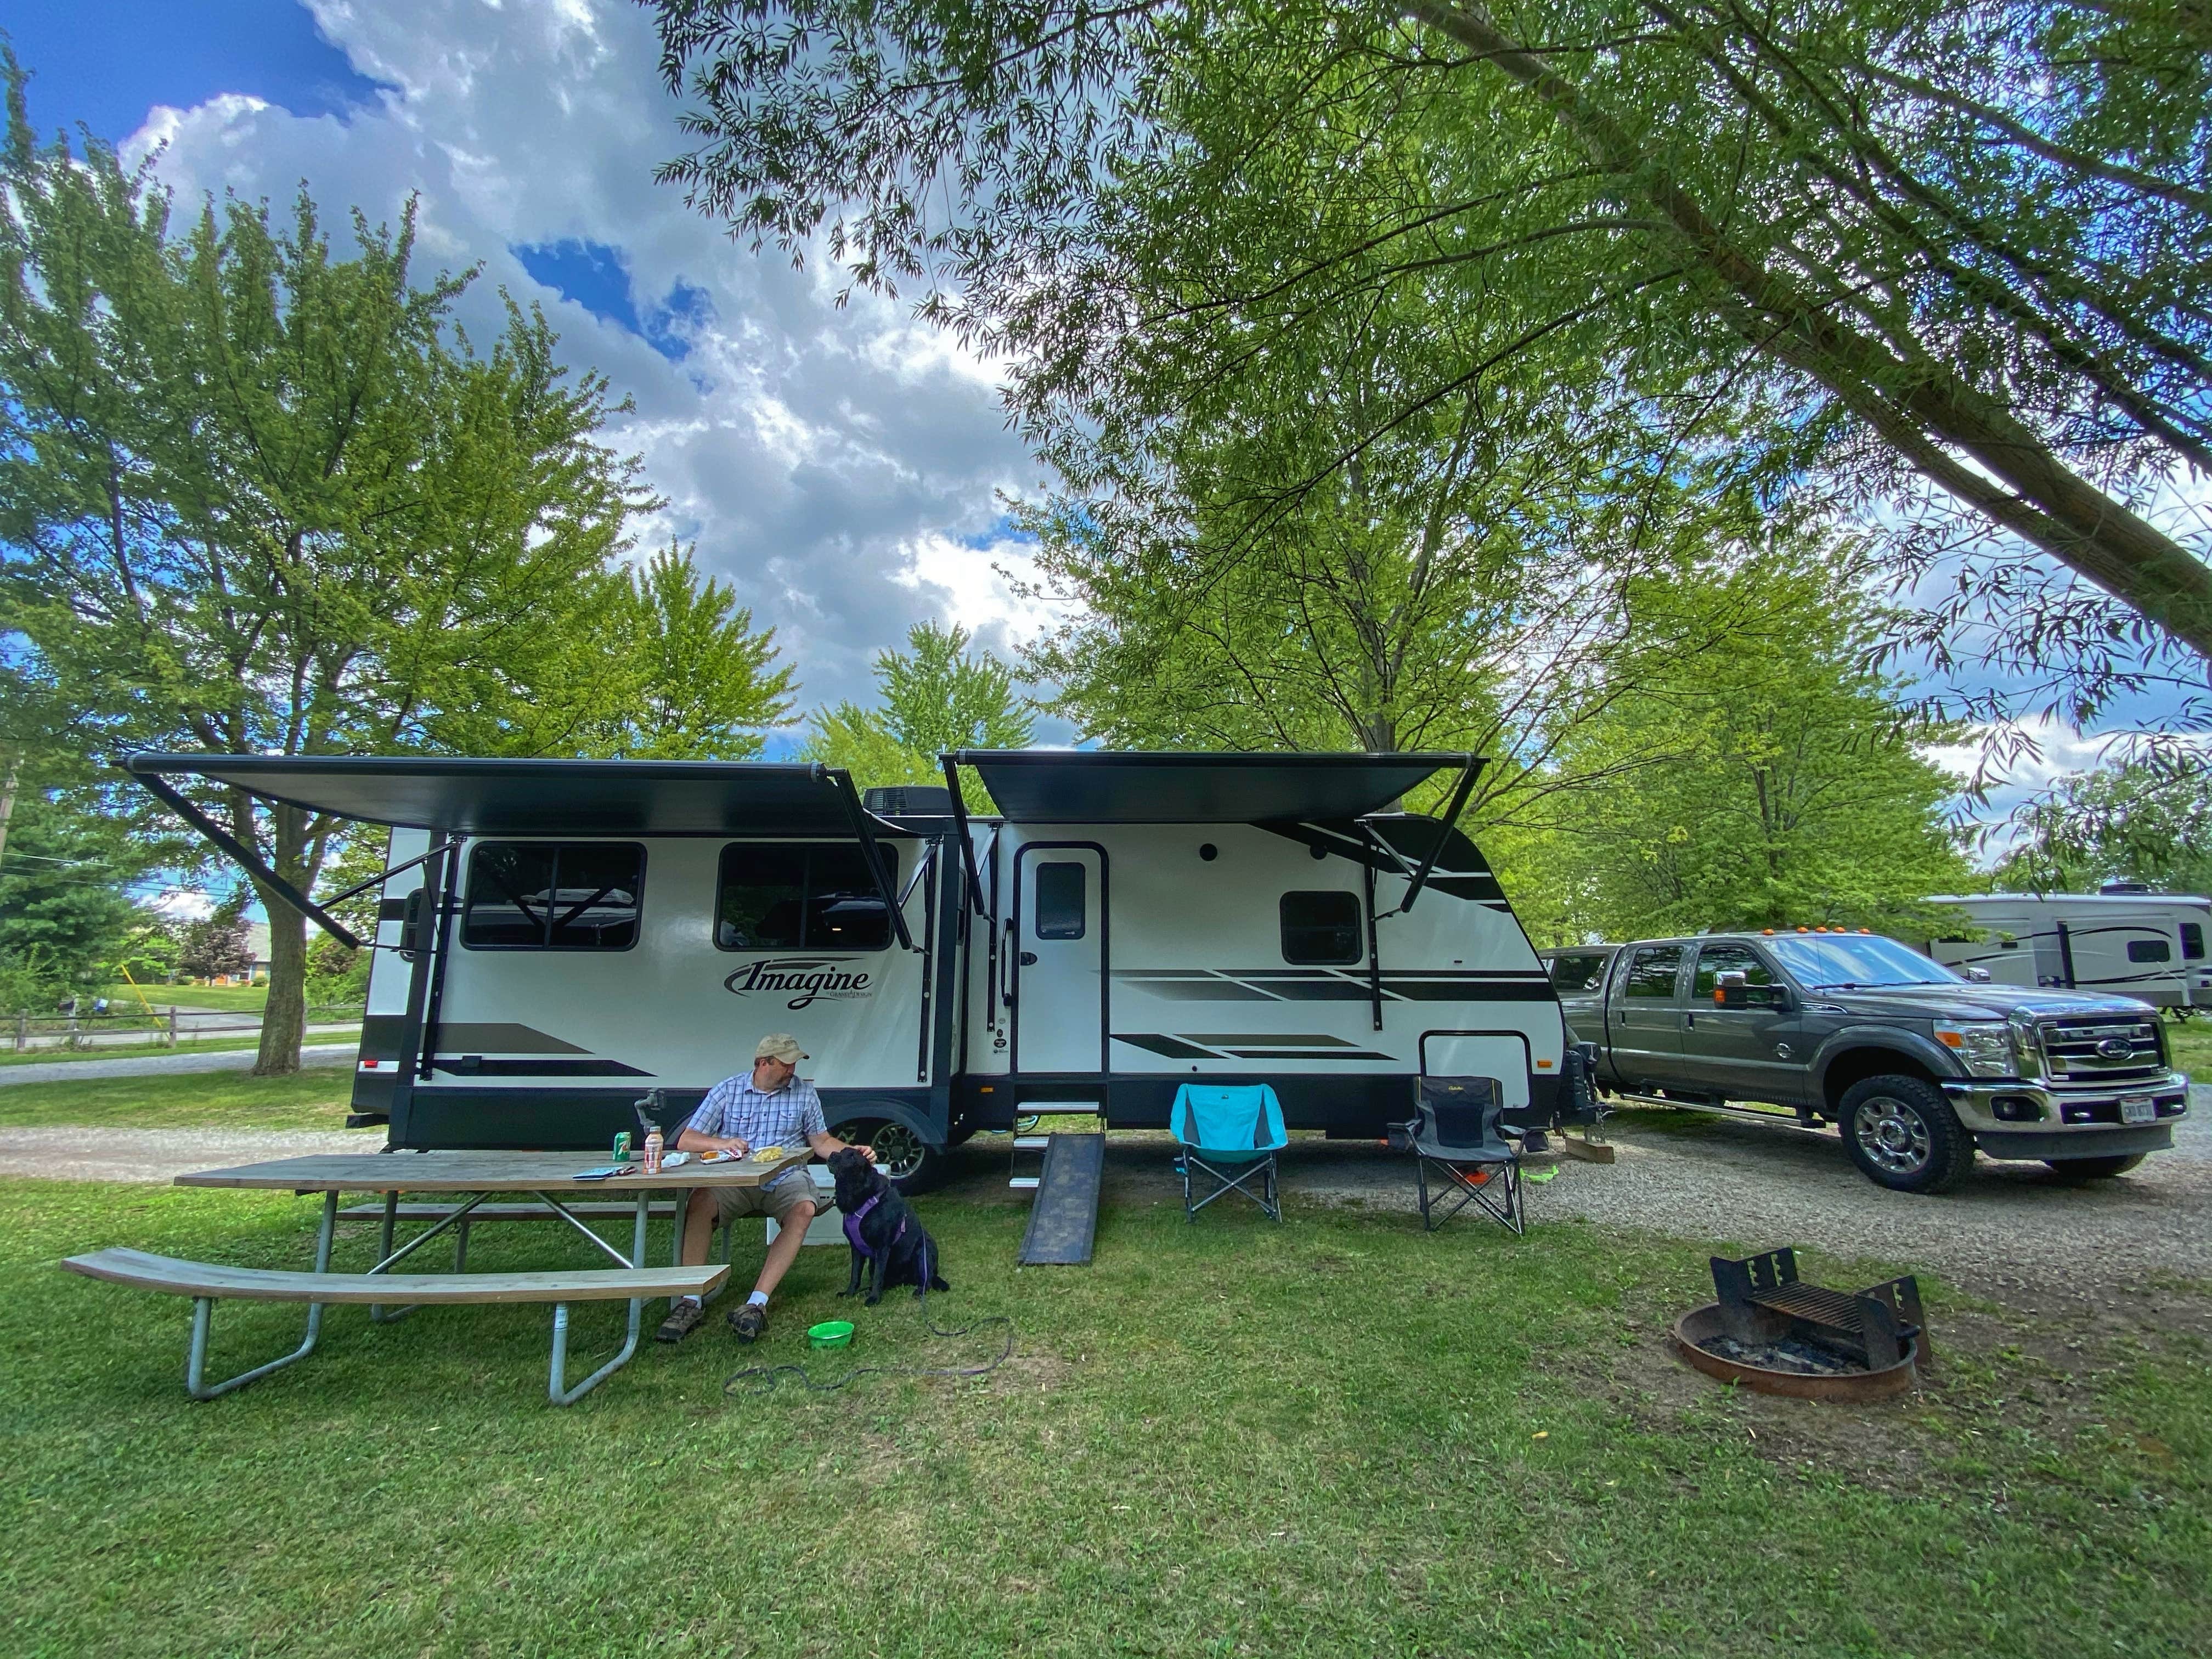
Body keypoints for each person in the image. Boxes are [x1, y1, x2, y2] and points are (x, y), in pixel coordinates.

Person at [655, 1033, 874, 1345]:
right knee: (700, 1202)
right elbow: (687, 1140)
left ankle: (756, 1303)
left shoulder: (804, 1093)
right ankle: (689, 1301)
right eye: (786, 1064)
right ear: (763, 1063)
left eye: (794, 1064)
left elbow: (822, 1142)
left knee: (804, 1208)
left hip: (784, 1176)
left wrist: (853, 1152)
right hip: (735, 1179)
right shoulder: (728, 1090)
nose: (791, 1071)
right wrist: (723, 1143)